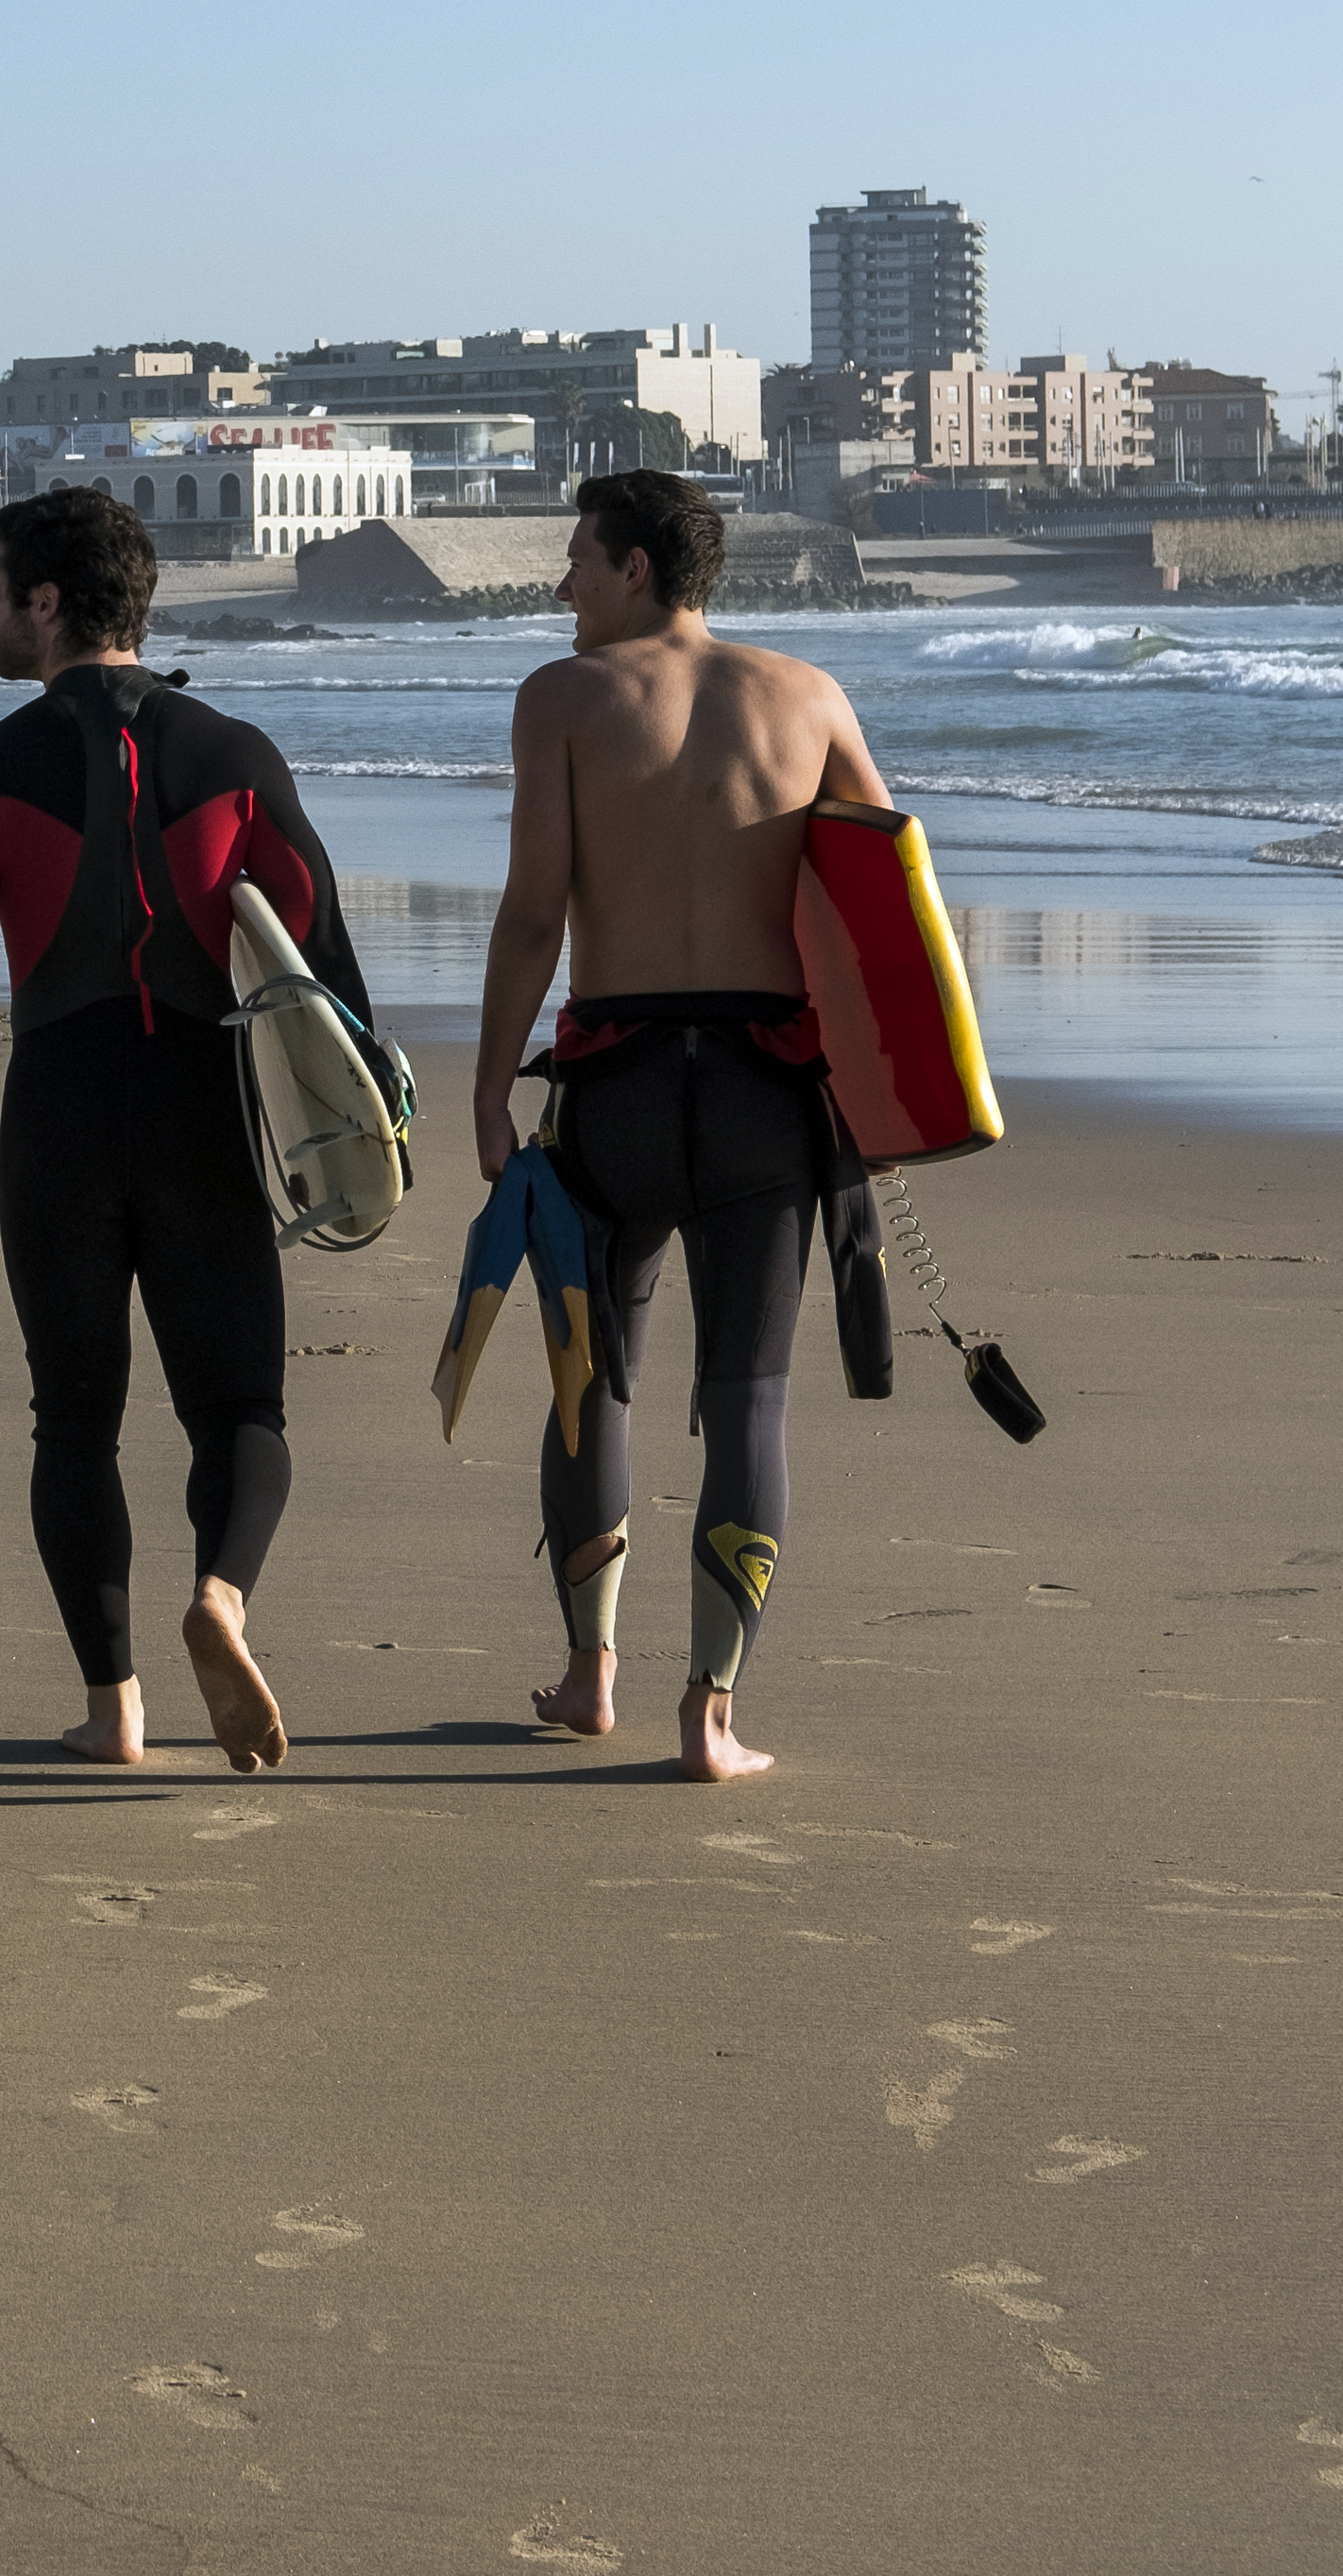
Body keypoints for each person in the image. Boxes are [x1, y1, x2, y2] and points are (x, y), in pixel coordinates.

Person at [0, 492, 368, 1774]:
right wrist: (363, 1130)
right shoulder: (235, 754)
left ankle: (111, 1707)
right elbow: (325, 968)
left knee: (70, 1420)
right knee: (237, 1405)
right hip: (200, 1112)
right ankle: (219, 1599)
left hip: (58, 1117)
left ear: (47, 602)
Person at [471, 472, 887, 1785]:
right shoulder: (810, 697)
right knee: (746, 1402)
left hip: (616, 1091)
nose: (560, 588)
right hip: (767, 1100)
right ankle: (707, 1714)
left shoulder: (561, 699)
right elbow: (886, 899)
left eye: (577, 563)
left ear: (636, 569)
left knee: (588, 1383)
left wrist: (488, 1087)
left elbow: (534, 912)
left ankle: (589, 1675)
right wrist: (896, 1100)